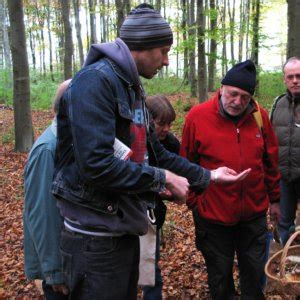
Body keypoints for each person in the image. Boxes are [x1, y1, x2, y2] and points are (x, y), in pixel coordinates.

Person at [52, 4, 250, 299]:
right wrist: (164, 180)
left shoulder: (131, 88)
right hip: (95, 242)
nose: (167, 61)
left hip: (124, 231)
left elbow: (158, 155)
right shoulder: (95, 81)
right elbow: (96, 164)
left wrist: (208, 176)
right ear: (142, 46)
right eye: (164, 51)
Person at [181, 60, 281, 300]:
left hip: (253, 216)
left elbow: (271, 161)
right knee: (220, 277)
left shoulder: (260, 117)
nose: (238, 101)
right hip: (213, 217)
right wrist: (195, 202)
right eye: (233, 94)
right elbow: (186, 163)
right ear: (222, 88)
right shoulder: (198, 117)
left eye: (245, 97)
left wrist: (275, 200)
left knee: (255, 276)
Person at [23, 80, 71, 299]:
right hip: (61, 270)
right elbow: (43, 214)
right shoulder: (48, 149)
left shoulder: (69, 142)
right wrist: (55, 273)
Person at [142, 95, 180, 299]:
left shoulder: (170, 143)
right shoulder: (137, 141)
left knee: (150, 272)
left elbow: (181, 167)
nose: (166, 129)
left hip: (153, 215)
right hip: (131, 214)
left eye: (169, 124)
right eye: (161, 124)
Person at [271, 56, 300, 246]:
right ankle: (284, 267)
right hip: (283, 178)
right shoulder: (277, 104)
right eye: (290, 77)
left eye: (299, 76)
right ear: (284, 79)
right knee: (283, 224)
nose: (295, 80)